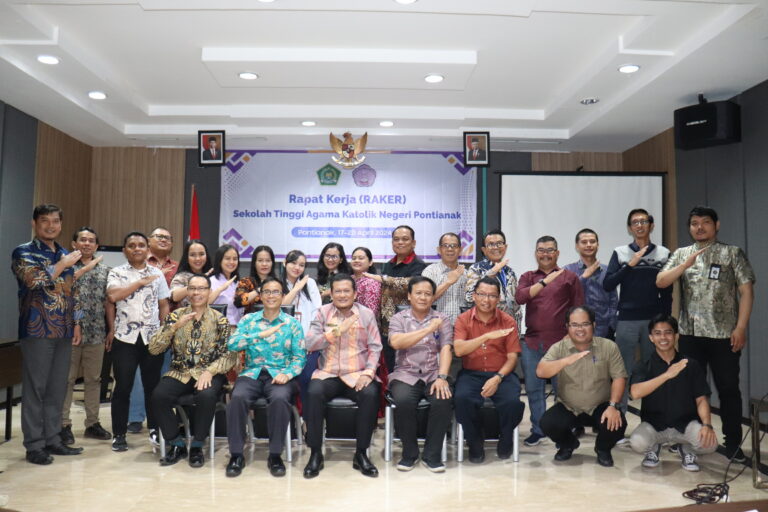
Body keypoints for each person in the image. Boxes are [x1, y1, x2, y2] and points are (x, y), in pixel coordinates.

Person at [656, 205, 755, 462]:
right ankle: (688, 441)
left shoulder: (732, 253)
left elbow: (746, 291)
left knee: (728, 390)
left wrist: (741, 327)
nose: (699, 227)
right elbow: (661, 281)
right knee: (688, 390)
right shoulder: (681, 253)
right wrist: (685, 265)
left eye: (705, 222)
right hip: (690, 335)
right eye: (694, 223)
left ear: (716, 225)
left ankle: (732, 443)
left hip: (725, 335)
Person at [11, 204, 84, 464]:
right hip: (37, 329)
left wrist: (77, 323)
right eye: (45, 221)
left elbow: (72, 291)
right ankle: (34, 445)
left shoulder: (65, 252)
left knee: (57, 389)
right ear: (34, 223)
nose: (51, 226)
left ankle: (53, 439)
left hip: (64, 329)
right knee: (36, 389)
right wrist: (62, 264)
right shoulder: (24, 252)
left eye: (55, 221)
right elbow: (34, 282)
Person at [149, 274, 236, 467]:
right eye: (193, 288)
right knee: (158, 396)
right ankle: (176, 444)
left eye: (202, 289)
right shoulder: (175, 316)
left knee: (206, 395)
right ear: (187, 292)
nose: (197, 293)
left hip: (210, 373)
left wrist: (210, 372)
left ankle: (197, 445)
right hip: (180, 372)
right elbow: (154, 349)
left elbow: (230, 355)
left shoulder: (219, 320)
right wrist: (172, 328)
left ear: (209, 292)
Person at [225, 277, 306, 478]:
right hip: (251, 373)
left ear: (283, 296)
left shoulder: (292, 324)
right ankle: (236, 454)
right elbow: (233, 345)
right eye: (267, 292)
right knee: (237, 398)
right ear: (260, 296)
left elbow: (299, 357)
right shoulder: (248, 320)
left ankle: (275, 454)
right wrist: (258, 335)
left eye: (276, 292)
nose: (271, 296)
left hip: (280, 375)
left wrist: (286, 374)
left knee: (279, 399)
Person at [303, 274, 382, 478]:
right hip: (327, 373)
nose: (342, 295)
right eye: (337, 291)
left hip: (356, 373)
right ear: (331, 293)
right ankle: (315, 453)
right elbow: (310, 344)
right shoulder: (322, 313)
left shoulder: (366, 314)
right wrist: (335, 332)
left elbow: (375, 347)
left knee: (370, 393)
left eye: (347, 291)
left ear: (355, 293)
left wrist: (369, 373)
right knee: (313, 392)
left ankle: (361, 453)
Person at [537, 306, 627, 467]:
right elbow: (541, 371)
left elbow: (619, 377)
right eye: (574, 325)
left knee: (617, 423)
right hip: (569, 406)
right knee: (547, 423)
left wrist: (613, 406)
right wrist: (566, 360)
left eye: (585, 324)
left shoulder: (608, 346)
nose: (580, 329)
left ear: (593, 325)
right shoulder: (559, 348)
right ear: (567, 327)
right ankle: (568, 444)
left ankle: (602, 449)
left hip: (601, 406)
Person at [515, 236, 584, 447]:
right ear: (536, 253)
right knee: (534, 390)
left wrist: (570, 338)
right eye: (541, 250)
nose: (545, 254)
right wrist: (544, 281)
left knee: (563, 391)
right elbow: (520, 298)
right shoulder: (528, 276)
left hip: (561, 343)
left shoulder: (570, 277)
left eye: (550, 250)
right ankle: (538, 430)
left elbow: (578, 310)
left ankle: (562, 430)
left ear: (557, 253)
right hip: (533, 342)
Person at [107, 231, 170, 452]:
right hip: (125, 338)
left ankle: (154, 429)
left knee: (153, 387)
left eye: (141, 245)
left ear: (148, 250)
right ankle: (119, 434)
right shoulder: (117, 272)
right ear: (125, 250)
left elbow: (163, 304)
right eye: (131, 245)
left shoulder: (158, 274)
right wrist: (141, 282)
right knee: (123, 387)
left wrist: (164, 331)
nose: (136, 248)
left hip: (152, 338)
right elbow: (113, 296)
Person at [603, 209, 672, 412]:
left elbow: (668, 291)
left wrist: (665, 320)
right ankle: (620, 417)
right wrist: (629, 266)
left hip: (654, 321)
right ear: (629, 228)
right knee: (622, 369)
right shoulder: (620, 252)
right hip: (626, 320)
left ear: (651, 225)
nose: (640, 225)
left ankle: (654, 418)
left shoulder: (664, 253)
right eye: (635, 222)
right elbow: (608, 284)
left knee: (655, 369)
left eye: (644, 221)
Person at [629, 314, 717, 472]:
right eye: (657, 333)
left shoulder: (691, 364)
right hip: (654, 425)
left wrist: (707, 425)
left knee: (710, 444)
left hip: (685, 424)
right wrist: (667, 375)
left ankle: (686, 449)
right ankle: (654, 448)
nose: (663, 337)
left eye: (668, 332)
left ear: (676, 336)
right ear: (651, 338)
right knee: (637, 443)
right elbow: (635, 393)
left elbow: (701, 399)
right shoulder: (644, 365)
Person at [453, 277, 525, 463]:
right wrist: (486, 336)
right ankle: (475, 442)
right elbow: (459, 350)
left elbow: (512, 358)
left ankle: (506, 438)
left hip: (502, 373)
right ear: (474, 296)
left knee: (513, 403)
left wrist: (498, 378)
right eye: (482, 294)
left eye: (492, 295)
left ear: (499, 298)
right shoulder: (463, 319)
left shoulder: (508, 321)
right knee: (462, 399)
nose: (487, 300)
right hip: (471, 373)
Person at [388, 276, 454, 472]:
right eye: (418, 293)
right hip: (405, 373)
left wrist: (442, 378)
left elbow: (446, 348)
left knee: (442, 399)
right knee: (403, 400)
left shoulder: (442, 319)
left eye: (427, 294)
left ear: (433, 297)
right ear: (409, 296)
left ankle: (432, 455)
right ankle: (409, 453)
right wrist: (428, 330)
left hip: (434, 373)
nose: (423, 297)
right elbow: (397, 343)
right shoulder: (398, 318)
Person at [59, 227, 114, 446]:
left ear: (97, 246)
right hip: (70, 333)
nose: (87, 244)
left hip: (97, 332)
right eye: (82, 240)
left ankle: (92, 423)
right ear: (74, 244)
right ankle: (63, 424)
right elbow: (72, 299)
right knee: (67, 379)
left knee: (94, 380)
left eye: (91, 241)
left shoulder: (106, 271)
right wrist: (76, 323)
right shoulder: (66, 268)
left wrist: (111, 329)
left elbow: (108, 302)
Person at [127, 226, 178, 433]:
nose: (164, 240)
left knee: (164, 373)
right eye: (159, 237)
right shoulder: (138, 263)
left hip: (168, 326)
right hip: (138, 328)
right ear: (149, 241)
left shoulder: (177, 266)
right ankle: (136, 417)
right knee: (138, 375)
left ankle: (160, 416)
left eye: (168, 238)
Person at [379, 225, 427, 371]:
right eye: (396, 239)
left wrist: (383, 279)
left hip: (409, 327)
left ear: (413, 243)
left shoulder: (419, 265)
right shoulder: (388, 265)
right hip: (387, 327)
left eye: (405, 239)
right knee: (389, 366)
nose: (400, 242)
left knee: (407, 368)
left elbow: (412, 285)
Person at [281, 249, 322, 407]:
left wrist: (310, 340)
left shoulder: (310, 283)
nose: (297, 267)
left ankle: (306, 419)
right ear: (285, 263)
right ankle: (290, 420)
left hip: (307, 343)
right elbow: (282, 306)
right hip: (283, 344)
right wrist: (297, 288)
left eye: (302, 265)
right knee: (286, 382)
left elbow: (317, 312)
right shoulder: (278, 283)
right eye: (293, 263)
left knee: (307, 380)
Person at [563, 229, 618, 339]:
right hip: (577, 331)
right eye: (584, 242)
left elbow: (613, 300)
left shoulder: (608, 271)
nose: (589, 245)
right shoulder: (567, 271)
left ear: (597, 245)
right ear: (577, 246)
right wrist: (583, 277)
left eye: (592, 241)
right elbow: (564, 297)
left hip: (604, 330)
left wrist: (611, 323)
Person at [464, 229, 521, 324]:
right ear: (484, 250)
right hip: (486, 327)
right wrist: (492, 272)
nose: (496, 247)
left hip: (509, 327)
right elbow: (469, 297)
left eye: (499, 243)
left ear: (505, 247)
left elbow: (514, 304)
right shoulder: (476, 269)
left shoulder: (510, 272)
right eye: (491, 244)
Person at [422, 232, 468, 322]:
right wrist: (448, 282)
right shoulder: (430, 271)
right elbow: (425, 300)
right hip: (435, 326)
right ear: (439, 249)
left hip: (461, 327)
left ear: (460, 250)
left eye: (454, 246)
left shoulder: (467, 274)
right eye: (446, 245)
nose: (450, 249)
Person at [234, 245, 278, 314]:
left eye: (268, 260)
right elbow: (239, 302)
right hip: (251, 323)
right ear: (254, 263)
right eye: (260, 260)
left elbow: (282, 304)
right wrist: (259, 290)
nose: (264, 264)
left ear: (272, 263)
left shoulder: (277, 283)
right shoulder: (246, 282)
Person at [208, 244, 244, 328]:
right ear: (219, 260)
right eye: (227, 258)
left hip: (237, 328)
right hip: (217, 329)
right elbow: (204, 304)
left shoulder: (238, 283)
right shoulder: (211, 281)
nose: (231, 262)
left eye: (235, 259)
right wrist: (220, 289)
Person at [169, 239, 212, 309]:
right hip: (187, 318)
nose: (198, 258)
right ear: (187, 257)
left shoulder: (212, 275)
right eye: (193, 255)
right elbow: (174, 296)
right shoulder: (181, 277)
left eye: (201, 254)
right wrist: (197, 282)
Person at [350, 246, 381, 319]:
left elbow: (371, 313)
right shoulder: (348, 279)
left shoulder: (372, 283)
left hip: (364, 325)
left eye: (361, 258)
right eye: (354, 258)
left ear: (370, 263)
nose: (356, 260)